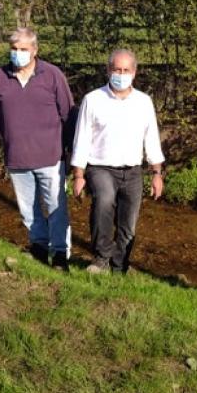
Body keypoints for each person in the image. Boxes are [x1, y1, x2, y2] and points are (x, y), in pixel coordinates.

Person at [0, 28, 74, 269]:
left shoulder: (52, 76)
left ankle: (61, 255)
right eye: (14, 49)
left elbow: (68, 115)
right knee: (28, 210)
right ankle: (39, 248)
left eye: (23, 49)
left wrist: (71, 156)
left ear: (35, 50)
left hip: (51, 157)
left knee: (56, 208)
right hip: (17, 157)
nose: (18, 53)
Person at [70, 49, 165, 274]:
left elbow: (151, 138)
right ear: (108, 70)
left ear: (134, 72)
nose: (120, 74)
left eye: (125, 70)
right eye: (116, 70)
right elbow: (81, 138)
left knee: (128, 223)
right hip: (101, 167)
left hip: (132, 170)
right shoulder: (93, 100)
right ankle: (101, 258)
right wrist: (78, 175)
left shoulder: (143, 102)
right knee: (104, 201)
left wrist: (156, 173)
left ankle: (119, 264)